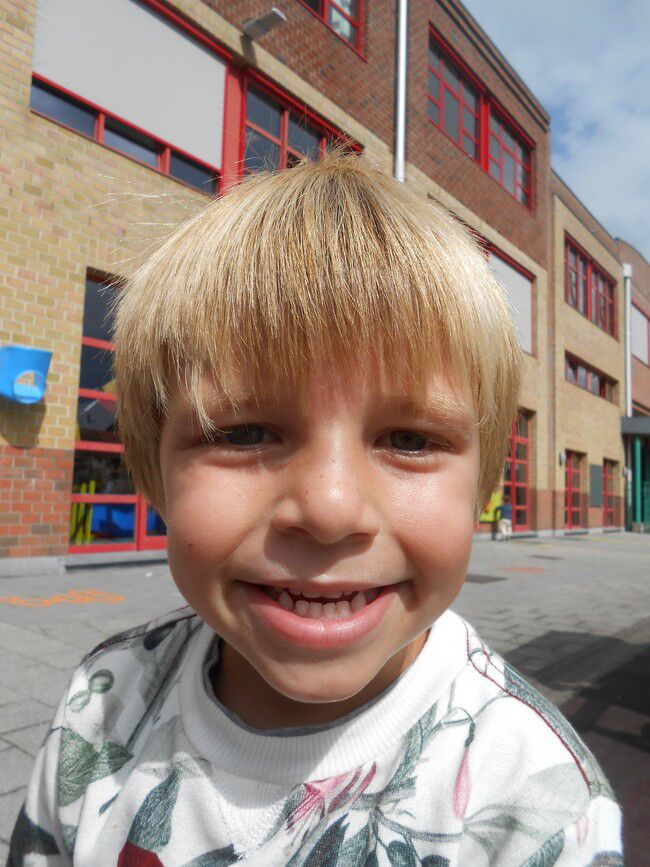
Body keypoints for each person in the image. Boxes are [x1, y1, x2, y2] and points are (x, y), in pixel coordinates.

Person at [9, 152, 622, 866]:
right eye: (244, 434)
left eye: (409, 440)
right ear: (156, 469)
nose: (331, 510)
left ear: (481, 482)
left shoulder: (537, 806)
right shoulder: (102, 703)